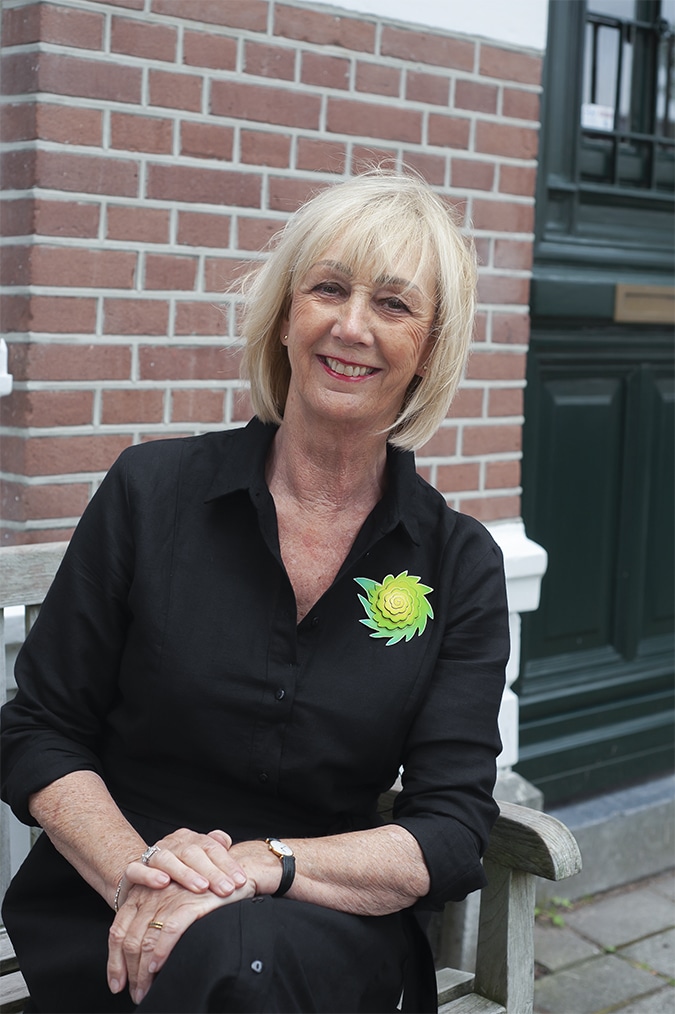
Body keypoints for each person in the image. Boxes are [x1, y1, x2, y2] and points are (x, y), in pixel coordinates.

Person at [1, 169, 509, 1014]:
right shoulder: (150, 492)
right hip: (114, 905)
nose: (351, 326)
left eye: (392, 304)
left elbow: (450, 834)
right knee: (225, 960)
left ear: (430, 347)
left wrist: (256, 865)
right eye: (328, 289)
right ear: (283, 315)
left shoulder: (456, 564)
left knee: (242, 956)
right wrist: (148, 878)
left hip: (321, 924)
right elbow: (40, 731)